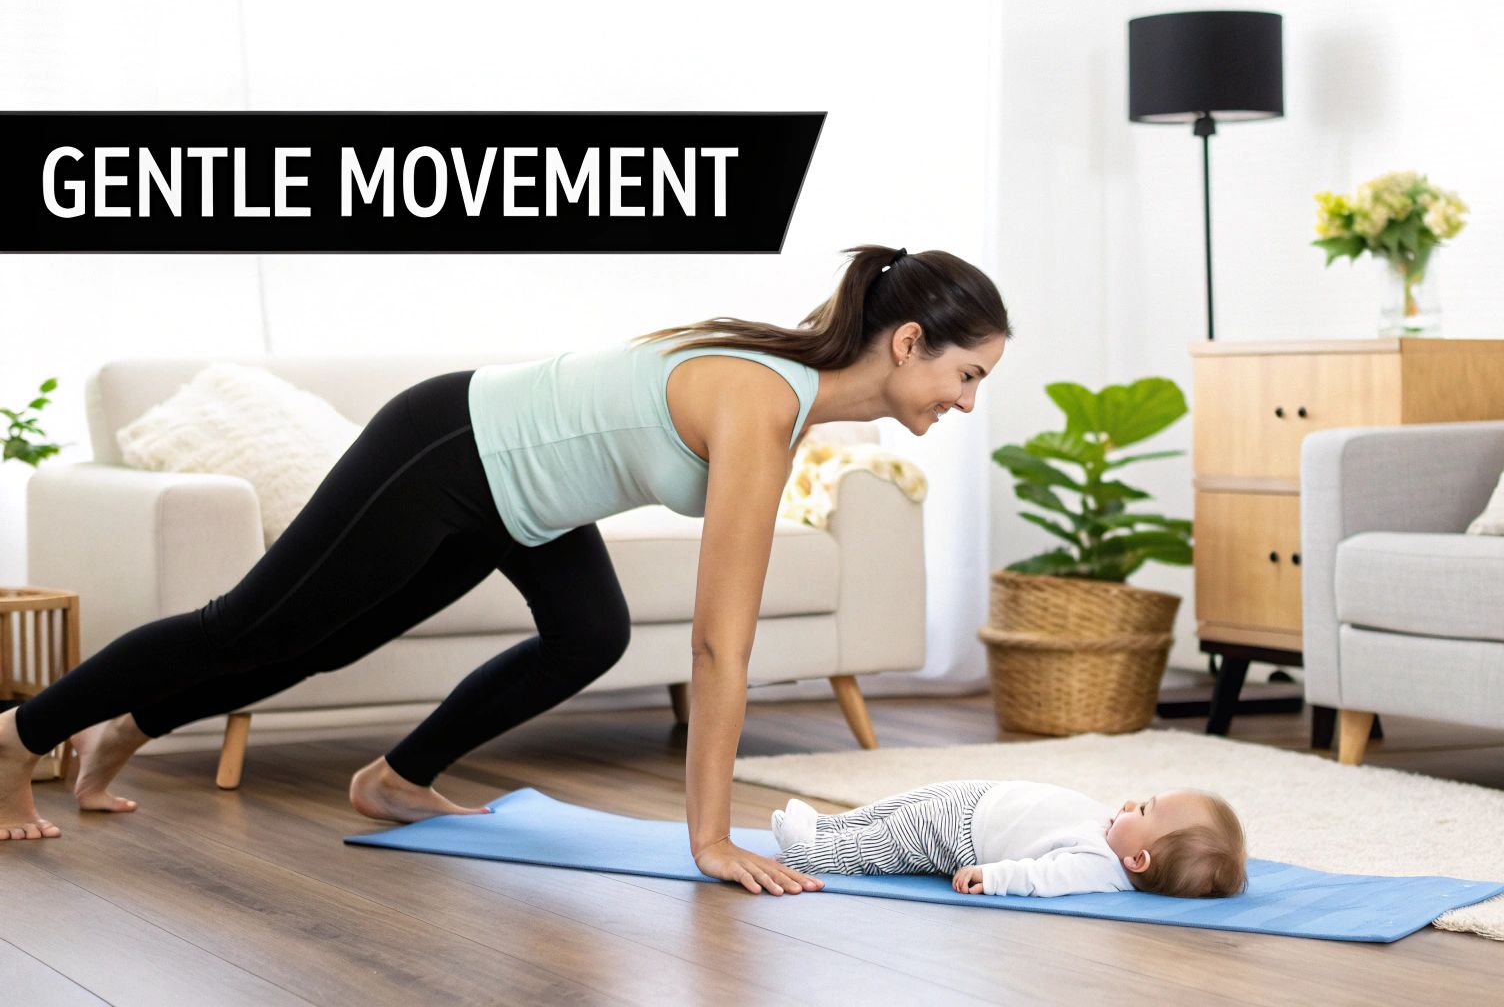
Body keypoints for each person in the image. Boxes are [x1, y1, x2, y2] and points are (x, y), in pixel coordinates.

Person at [0, 243, 1010, 897]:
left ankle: (383, 775)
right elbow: (716, 643)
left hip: (524, 495)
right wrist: (709, 841)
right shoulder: (763, 402)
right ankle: (20, 737)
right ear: (909, 341)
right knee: (262, 629)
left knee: (588, 634)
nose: (966, 402)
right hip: (450, 447)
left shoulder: (779, 403)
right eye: (965, 375)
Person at [769, 780, 1248, 898]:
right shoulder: (1114, 835)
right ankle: (830, 825)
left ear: (1138, 860)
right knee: (896, 806)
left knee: (893, 840)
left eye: (1143, 810)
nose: (1128, 805)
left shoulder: (1098, 866)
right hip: (980, 797)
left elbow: (1041, 877)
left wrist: (991, 877)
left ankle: (813, 852)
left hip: (962, 836)